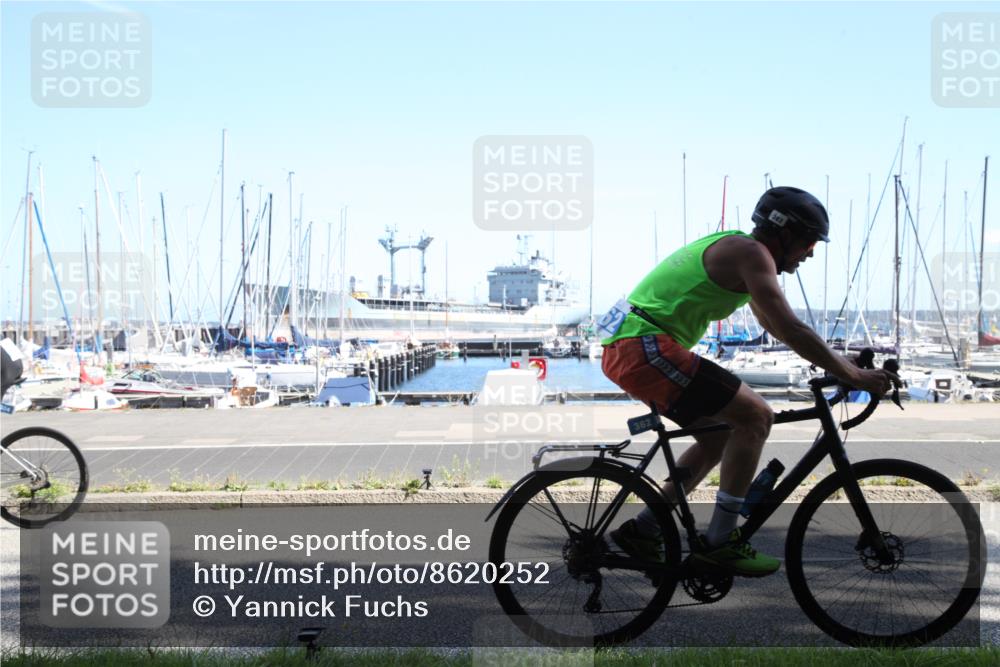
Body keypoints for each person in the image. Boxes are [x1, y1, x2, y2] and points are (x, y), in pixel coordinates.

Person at [600, 186, 896, 577]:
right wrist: (853, 375)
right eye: (809, 241)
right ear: (783, 232)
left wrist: (842, 360)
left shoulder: (745, 254)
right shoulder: (752, 254)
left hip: (634, 346)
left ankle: (644, 530)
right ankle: (720, 543)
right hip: (644, 346)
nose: (810, 252)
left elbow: (773, 323)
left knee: (719, 436)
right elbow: (790, 326)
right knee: (756, 416)